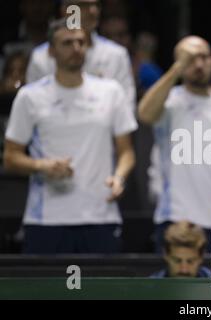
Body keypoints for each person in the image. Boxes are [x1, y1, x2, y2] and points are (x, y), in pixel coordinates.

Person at [3, 19, 137, 254]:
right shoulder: (30, 96)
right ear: (51, 51)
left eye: (81, 42)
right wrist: (42, 165)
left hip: (101, 217)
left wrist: (119, 177)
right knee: (44, 292)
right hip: (46, 220)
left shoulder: (111, 91)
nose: (76, 48)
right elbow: (11, 157)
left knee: (106, 291)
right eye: (67, 43)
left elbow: (126, 152)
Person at [138, 35, 211, 253]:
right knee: (174, 288)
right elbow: (145, 114)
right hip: (177, 220)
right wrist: (176, 70)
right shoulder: (169, 101)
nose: (198, 64)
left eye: (204, 57)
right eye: (189, 59)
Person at [26, 0, 136, 109]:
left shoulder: (117, 55)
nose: (93, 11)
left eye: (96, 5)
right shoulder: (40, 57)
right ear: (66, 10)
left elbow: (126, 108)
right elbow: (33, 107)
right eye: (83, 5)